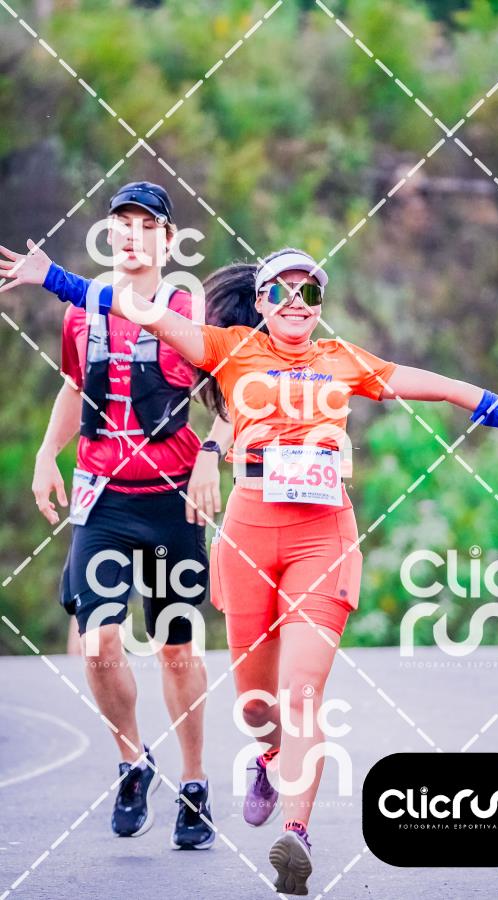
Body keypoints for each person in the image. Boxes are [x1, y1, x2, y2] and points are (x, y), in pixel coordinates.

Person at [0, 244, 498, 894]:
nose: (296, 303)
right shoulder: (227, 349)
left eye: (309, 292)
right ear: (260, 301)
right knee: (257, 706)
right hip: (249, 538)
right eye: (281, 290)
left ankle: (296, 836)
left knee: (303, 692)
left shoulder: (345, 361)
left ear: (319, 305)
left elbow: (449, 389)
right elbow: (135, 308)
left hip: (323, 537)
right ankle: (270, 754)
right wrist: (52, 278)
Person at [13, 182, 235, 850]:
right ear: (110, 235)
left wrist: (211, 455)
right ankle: (132, 761)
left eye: (147, 225)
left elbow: (233, 397)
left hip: (172, 500)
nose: (133, 234)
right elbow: (74, 387)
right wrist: (47, 455)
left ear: (168, 240)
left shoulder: (188, 310)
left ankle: (194, 783)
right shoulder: (81, 315)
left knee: (175, 648)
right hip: (103, 497)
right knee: (99, 642)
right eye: (122, 224)